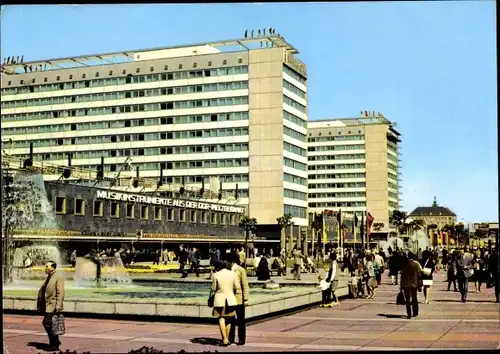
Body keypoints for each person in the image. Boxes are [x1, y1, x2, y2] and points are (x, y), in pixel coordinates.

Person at [211, 260, 241, 347]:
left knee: (221, 318)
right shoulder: (233, 274)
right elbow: (237, 286)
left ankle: (224, 339)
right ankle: (226, 339)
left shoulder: (216, 274)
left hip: (219, 299)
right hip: (230, 299)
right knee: (229, 319)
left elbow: (213, 288)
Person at [37, 261, 65, 352]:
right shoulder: (49, 277)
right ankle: (54, 343)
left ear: (52, 268)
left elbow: (60, 293)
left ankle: (55, 343)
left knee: (47, 323)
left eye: (46, 266)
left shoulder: (58, 277)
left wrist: (58, 306)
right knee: (48, 323)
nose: (45, 268)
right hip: (48, 305)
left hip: (53, 306)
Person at [228, 252, 249, 346]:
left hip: (239, 298)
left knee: (241, 320)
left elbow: (245, 285)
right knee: (230, 319)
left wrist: (246, 299)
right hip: (230, 298)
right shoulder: (226, 270)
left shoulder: (241, 270)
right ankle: (230, 338)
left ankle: (241, 339)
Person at [400, 252, 422, 319]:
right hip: (414, 284)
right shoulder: (416, 265)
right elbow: (419, 275)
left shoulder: (404, 265)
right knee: (414, 298)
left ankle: (409, 314)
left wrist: (401, 285)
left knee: (407, 300)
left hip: (406, 285)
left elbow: (402, 276)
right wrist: (420, 285)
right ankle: (415, 312)